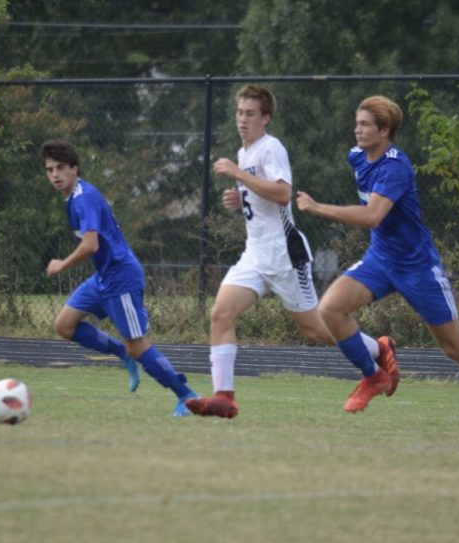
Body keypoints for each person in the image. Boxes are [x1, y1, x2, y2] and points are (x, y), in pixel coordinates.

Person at [296, 95, 459, 440]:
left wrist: (319, 208)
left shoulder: (396, 167)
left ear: (385, 130)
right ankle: (373, 374)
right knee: (330, 309)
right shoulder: (357, 156)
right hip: (380, 259)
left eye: (364, 124)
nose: (356, 129)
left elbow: (373, 215)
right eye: (357, 122)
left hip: (417, 267)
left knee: (456, 348)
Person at [185, 85, 398, 419]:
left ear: (266, 118)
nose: (243, 119)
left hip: (285, 255)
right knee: (220, 314)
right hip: (255, 254)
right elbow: (264, 201)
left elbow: (283, 194)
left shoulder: (271, 148)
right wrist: (240, 201)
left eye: (251, 114)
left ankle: (377, 347)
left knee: (315, 330)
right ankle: (224, 397)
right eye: (240, 112)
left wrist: (238, 175)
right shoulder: (245, 153)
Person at [41, 139, 198, 416]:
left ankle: (185, 395)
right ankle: (122, 354)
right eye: (50, 169)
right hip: (103, 277)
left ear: (75, 169)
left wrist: (61, 265)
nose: (55, 174)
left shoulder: (83, 197)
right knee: (64, 325)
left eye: (61, 167)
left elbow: (91, 245)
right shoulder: (73, 199)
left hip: (121, 277)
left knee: (137, 345)